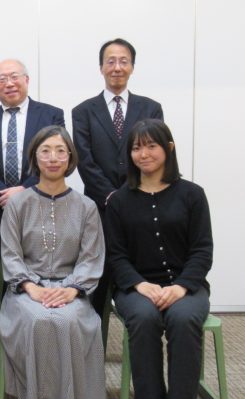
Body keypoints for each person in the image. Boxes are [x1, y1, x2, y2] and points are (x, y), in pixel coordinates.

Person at [104, 119, 213, 399]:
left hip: (186, 287)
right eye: (137, 147)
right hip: (135, 288)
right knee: (144, 319)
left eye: (151, 146)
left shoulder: (192, 195)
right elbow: (116, 255)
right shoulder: (119, 200)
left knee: (183, 319)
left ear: (169, 148)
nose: (144, 154)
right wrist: (138, 284)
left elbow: (202, 250)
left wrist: (182, 286)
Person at [0, 125, 106, 399]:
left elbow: (91, 257)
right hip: (25, 290)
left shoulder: (86, 206)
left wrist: (73, 290)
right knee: (40, 320)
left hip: (71, 289)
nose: (53, 157)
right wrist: (30, 287)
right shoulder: (18, 204)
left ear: (70, 158)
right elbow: (10, 254)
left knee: (68, 321)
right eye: (45, 150)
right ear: (35, 157)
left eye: (61, 150)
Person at [0, 59, 65, 353]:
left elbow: (60, 158)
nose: (9, 83)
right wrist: (3, 191)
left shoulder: (50, 114)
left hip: (41, 204)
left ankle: (40, 342)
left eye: (14, 77)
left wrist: (24, 190)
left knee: (41, 270)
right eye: (1, 79)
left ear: (27, 80)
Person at [72, 38, 163, 315]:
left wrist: (130, 194)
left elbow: (153, 154)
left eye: (123, 61)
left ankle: (143, 321)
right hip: (99, 206)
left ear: (132, 67)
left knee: (139, 266)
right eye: (110, 61)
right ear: (101, 67)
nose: (117, 67)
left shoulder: (150, 108)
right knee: (98, 272)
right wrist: (111, 195)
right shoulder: (83, 111)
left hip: (141, 201)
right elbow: (84, 160)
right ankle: (93, 332)